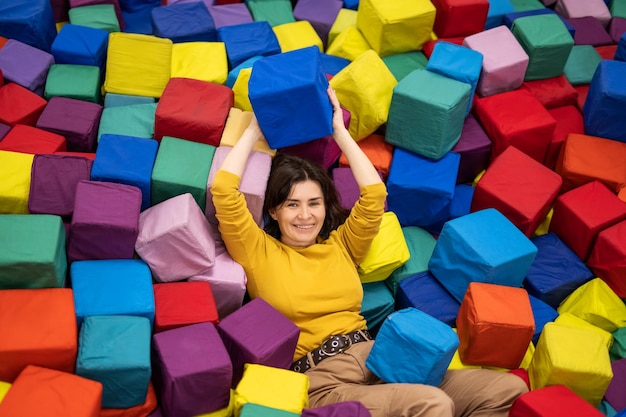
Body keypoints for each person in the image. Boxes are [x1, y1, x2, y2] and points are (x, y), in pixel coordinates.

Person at [210, 87, 528, 417]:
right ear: (274, 211)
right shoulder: (260, 250)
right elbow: (223, 191)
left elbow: (374, 194)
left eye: (314, 203)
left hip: (385, 356)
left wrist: (340, 133)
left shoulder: (342, 246)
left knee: (507, 390)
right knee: (432, 404)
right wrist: (253, 132)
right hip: (325, 381)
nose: (305, 215)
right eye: (293, 205)